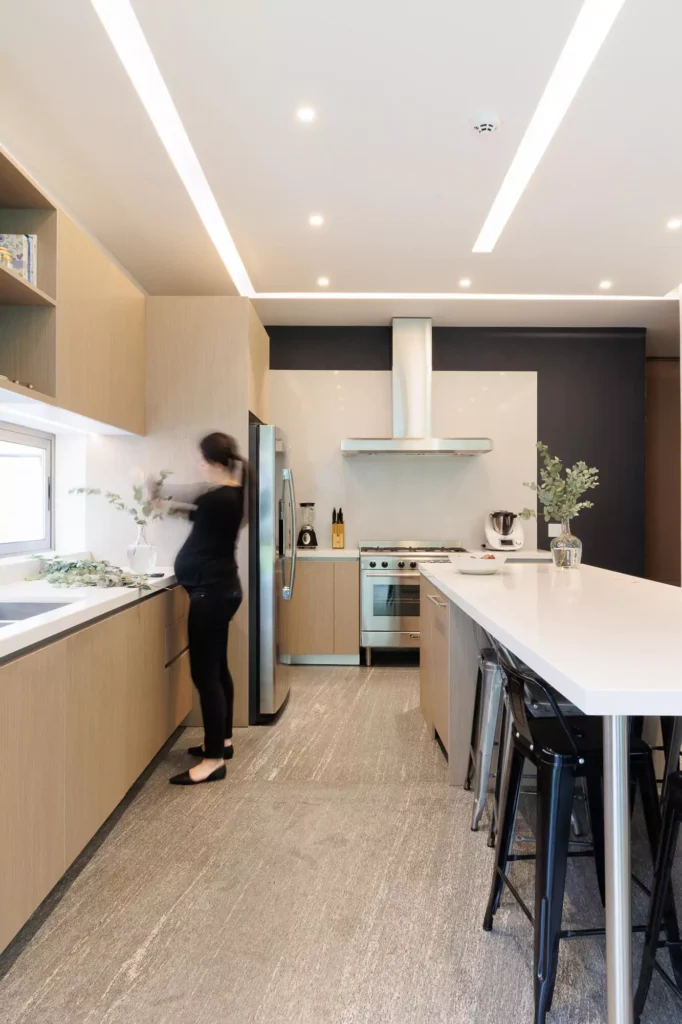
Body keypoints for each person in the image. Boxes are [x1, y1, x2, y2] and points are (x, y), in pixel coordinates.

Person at [157, 433, 246, 786]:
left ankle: (213, 762)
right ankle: (222, 741)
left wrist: (160, 497)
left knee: (205, 676)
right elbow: (195, 510)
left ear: (217, 464)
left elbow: (191, 500)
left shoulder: (219, 497)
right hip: (221, 590)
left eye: (203, 461)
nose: (199, 467)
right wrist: (169, 504)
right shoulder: (230, 495)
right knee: (218, 669)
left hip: (211, 593)